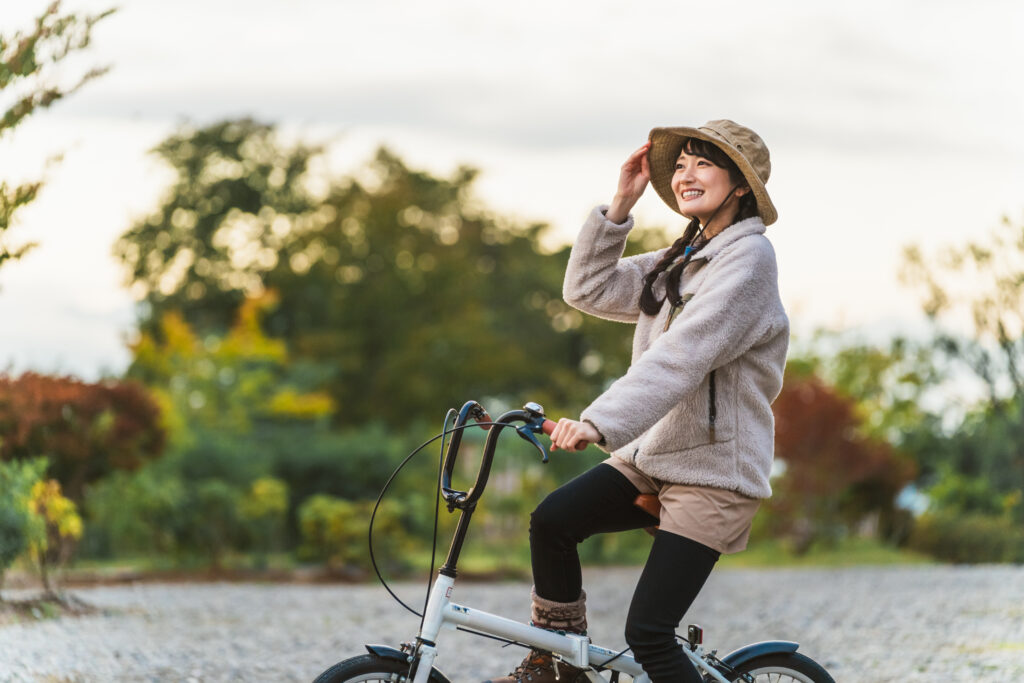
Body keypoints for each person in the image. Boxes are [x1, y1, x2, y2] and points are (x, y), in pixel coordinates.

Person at [486, 120, 789, 683]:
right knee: (552, 521)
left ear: (741, 183)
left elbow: (682, 356)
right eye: (678, 166)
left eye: (703, 162)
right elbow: (587, 289)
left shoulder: (748, 263)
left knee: (648, 635)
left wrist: (599, 423)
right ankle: (559, 665)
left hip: (714, 472)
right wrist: (620, 207)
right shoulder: (680, 260)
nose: (685, 175)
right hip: (653, 459)